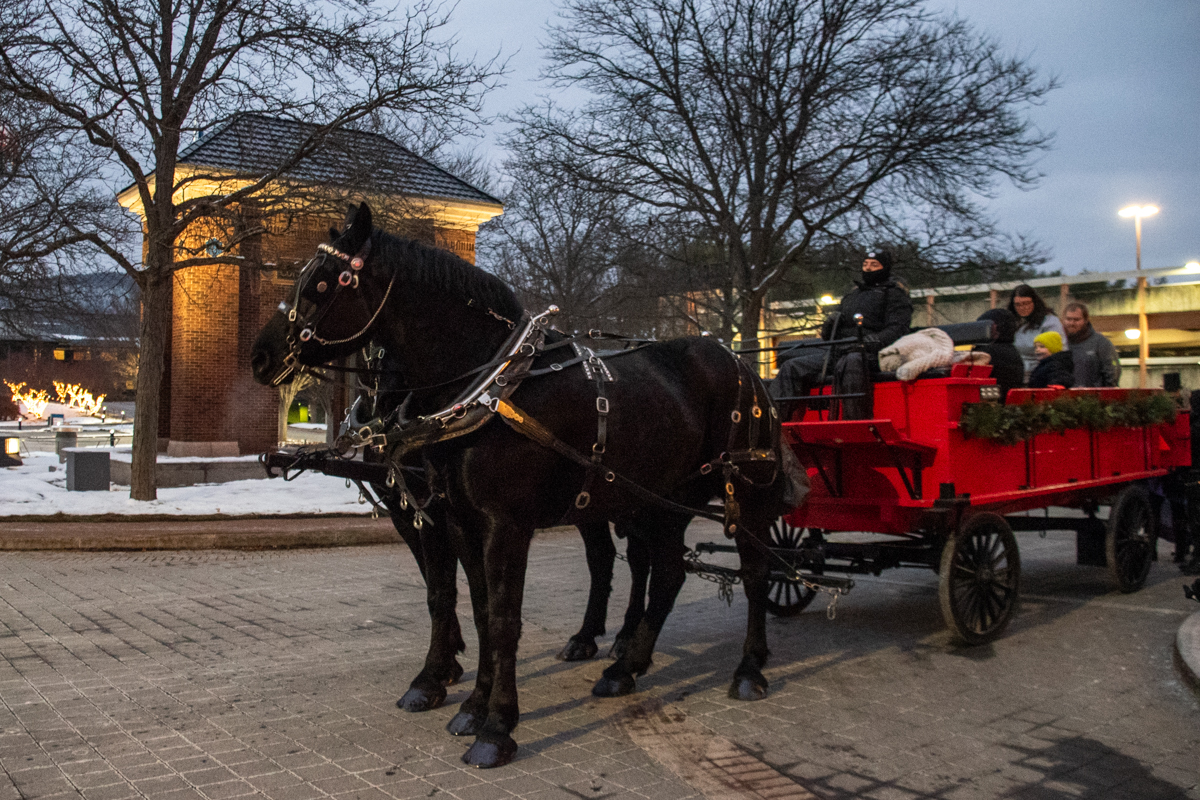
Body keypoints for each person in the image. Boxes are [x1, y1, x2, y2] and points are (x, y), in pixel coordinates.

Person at [771, 250, 912, 399]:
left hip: (870, 354)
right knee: (791, 366)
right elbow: (828, 337)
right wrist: (830, 324)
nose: (868, 268)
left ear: (885, 268)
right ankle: (776, 417)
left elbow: (898, 328)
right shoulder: (852, 295)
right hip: (838, 352)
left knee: (851, 363)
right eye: (865, 264)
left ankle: (854, 418)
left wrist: (868, 343)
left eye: (874, 265)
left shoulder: (894, 295)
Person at [1009, 284, 1066, 377]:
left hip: (1043, 374)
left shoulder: (1049, 322)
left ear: (1034, 302)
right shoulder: (1013, 322)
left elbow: (1057, 352)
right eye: (1018, 304)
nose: (1022, 308)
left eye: (1026, 303)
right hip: (1018, 374)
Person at [1062, 301, 1120, 387]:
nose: (1071, 323)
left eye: (1076, 319)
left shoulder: (1101, 343)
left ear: (1086, 320)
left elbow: (1112, 373)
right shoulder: (1060, 343)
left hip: (1092, 398)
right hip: (1064, 398)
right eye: (1068, 319)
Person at [973, 308, 1024, 401]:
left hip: (987, 407)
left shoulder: (986, 353)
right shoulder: (1013, 352)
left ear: (994, 328)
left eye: (981, 327)